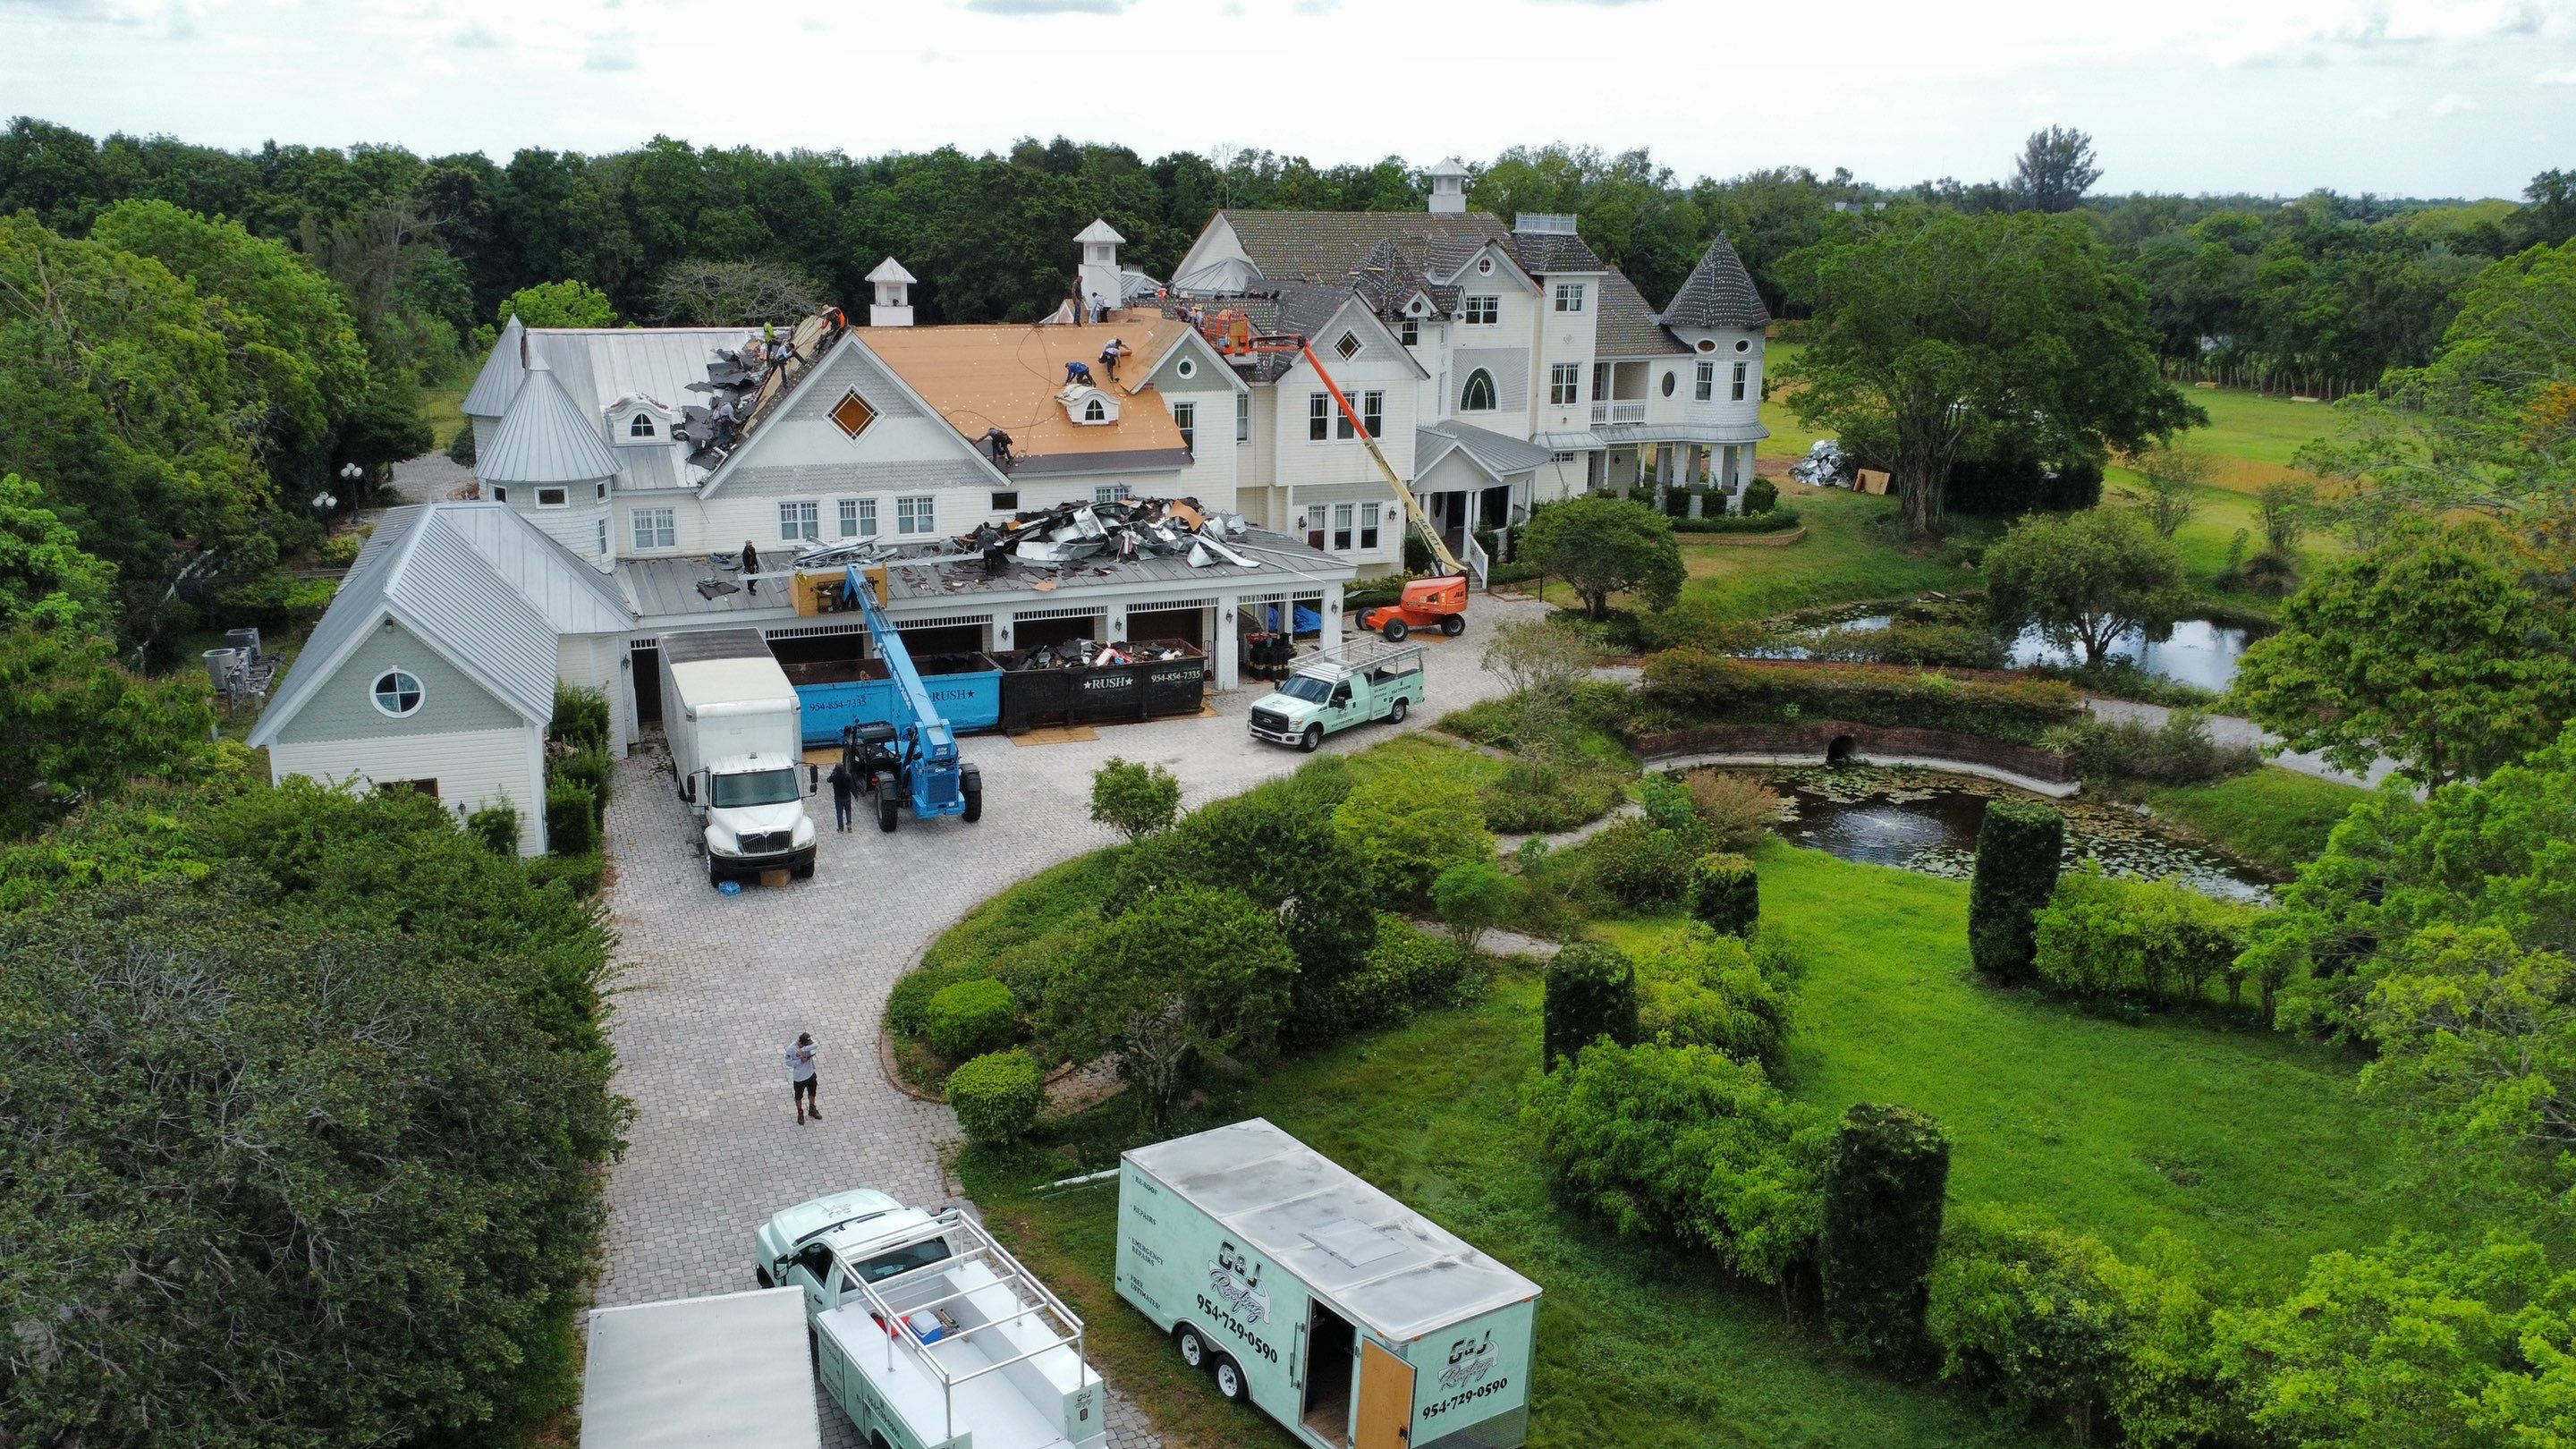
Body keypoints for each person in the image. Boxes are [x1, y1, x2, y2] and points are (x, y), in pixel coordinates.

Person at [786, 1032, 819, 1123]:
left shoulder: (808, 1042)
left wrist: (804, 1049)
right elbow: (788, 1063)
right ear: (801, 1042)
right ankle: (800, 1112)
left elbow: (815, 1045)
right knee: (799, 1096)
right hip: (799, 1077)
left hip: (810, 1073)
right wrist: (800, 1061)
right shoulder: (791, 1049)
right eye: (805, 1045)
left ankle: (812, 1109)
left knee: (812, 1092)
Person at [826, 759, 857, 832]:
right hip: (847, 797)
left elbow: (828, 780)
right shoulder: (848, 776)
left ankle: (840, 828)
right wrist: (855, 795)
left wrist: (833, 773)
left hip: (838, 797)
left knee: (839, 813)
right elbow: (852, 787)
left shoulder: (834, 777)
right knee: (848, 811)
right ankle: (849, 825)